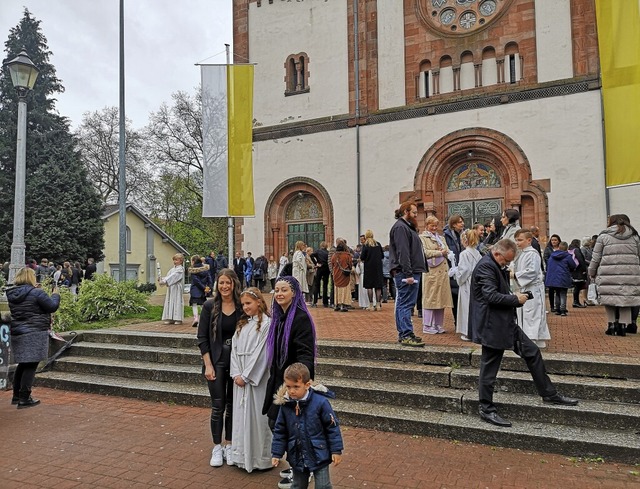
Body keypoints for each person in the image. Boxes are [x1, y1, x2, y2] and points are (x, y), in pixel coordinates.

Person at [470, 239, 578, 428]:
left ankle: (549, 394)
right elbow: (490, 296)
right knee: (489, 368)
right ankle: (486, 409)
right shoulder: (486, 267)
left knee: (532, 351)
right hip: (492, 326)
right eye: (505, 261)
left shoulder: (494, 264)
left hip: (504, 323)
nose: (506, 265)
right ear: (497, 254)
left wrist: (517, 296)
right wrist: (515, 299)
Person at [262, 276, 316, 489]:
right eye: (276, 290)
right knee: (277, 424)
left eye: (284, 290)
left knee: (292, 429)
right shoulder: (278, 317)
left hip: (293, 384)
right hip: (277, 380)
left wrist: (298, 384)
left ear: (294, 292)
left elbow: (306, 354)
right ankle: (298, 465)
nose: (279, 294)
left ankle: (303, 469)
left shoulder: (300, 318)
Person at [197, 268, 243, 467]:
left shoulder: (242, 306)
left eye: (228, 283)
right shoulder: (210, 306)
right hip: (215, 362)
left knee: (232, 407)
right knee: (218, 406)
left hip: (236, 363)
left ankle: (230, 445)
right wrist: (208, 365)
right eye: (221, 283)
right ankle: (217, 446)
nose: (224, 286)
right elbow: (202, 338)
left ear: (234, 284)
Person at [271, 363, 343, 489]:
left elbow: (332, 427)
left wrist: (336, 450)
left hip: (319, 453)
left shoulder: (320, 402)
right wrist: (277, 453)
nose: (291, 391)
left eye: (296, 387)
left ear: (307, 385)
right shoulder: (286, 405)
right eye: (288, 386)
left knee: (323, 486)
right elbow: (280, 431)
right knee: (298, 485)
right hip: (297, 453)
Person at [229, 287, 272, 472]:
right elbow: (234, 351)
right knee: (241, 417)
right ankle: (241, 456)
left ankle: (260, 459)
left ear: (259, 303)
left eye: (248, 303)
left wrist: (246, 376)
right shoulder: (242, 325)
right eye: (243, 304)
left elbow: (262, 353)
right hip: (240, 377)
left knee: (257, 417)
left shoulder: (267, 324)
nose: (245, 307)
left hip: (257, 379)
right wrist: (236, 373)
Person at [6, 267, 61, 409]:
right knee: (31, 364)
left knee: (23, 364)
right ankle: (25, 398)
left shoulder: (12, 293)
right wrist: (55, 294)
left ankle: (16, 395)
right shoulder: (37, 293)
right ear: (31, 278)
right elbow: (52, 306)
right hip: (34, 332)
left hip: (18, 332)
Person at [588, 214, 640, 336]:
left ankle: (611, 324)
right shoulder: (634, 237)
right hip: (630, 273)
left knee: (609, 298)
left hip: (608, 273)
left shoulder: (604, 236)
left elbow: (596, 257)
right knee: (626, 299)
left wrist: (592, 272)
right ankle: (623, 325)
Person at [389, 202, 427, 347]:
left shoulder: (406, 227)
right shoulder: (400, 227)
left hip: (409, 271)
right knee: (405, 304)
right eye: (415, 213)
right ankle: (406, 334)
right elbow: (403, 252)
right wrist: (408, 273)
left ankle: (405, 333)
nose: (416, 215)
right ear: (406, 211)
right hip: (406, 273)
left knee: (403, 303)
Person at [513, 230, 550, 348]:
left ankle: (532, 339)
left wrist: (515, 275)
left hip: (533, 288)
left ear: (529, 240)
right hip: (524, 287)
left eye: (520, 240)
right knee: (526, 313)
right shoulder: (522, 253)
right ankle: (533, 339)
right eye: (516, 240)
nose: (517, 243)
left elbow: (532, 271)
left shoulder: (533, 254)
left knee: (532, 314)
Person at [420, 216, 453, 335]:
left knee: (441, 299)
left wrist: (444, 252)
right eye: (431, 225)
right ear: (426, 225)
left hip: (443, 272)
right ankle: (427, 325)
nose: (434, 228)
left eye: (435, 225)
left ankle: (438, 324)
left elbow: (448, 250)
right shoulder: (422, 238)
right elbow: (424, 252)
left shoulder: (441, 238)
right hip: (432, 272)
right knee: (430, 299)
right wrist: (439, 252)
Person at [455, 229, 482, 341]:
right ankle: (476, 329)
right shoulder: (477, 253)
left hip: (467, 282)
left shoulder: (464, 254)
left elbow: (464, 270)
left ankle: (467, 331)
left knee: (466, 306)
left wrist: (457, 274)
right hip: (476, 281)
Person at [544, 241, 576, 317]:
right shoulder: (568, 256)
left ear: (559, 247)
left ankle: (557, 309)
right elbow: (573, 265)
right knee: (563, 294)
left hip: (553, 278)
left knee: (557, 294)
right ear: (567, 248)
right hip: (563, 277)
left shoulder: (552, 256)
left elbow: (549, 266)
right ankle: (563, 310)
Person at [444, 214, 464, 328]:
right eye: (459, 222)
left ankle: (462, 321)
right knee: (455, 295)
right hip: (453, 269)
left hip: (462, 267)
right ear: (453, 224)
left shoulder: (463, 234)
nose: (462, 224)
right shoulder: (447, 236)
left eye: (462, 221)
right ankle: (457, 321)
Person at [359, 229, 384, 311]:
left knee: (369, 287)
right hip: (378, 268)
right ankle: (378, 304)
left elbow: (362, 257)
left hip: (369, 268)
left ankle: (370, 305)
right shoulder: (378, 244)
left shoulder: (365, 245)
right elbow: (382, 256)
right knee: (378, 287)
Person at [158, 253, 185, 325]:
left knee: (176, 301)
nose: (175, 261)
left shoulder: (180, 269)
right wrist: (161, 279)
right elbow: (168, 276)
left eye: (176, 260)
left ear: (181, 261)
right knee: (169, 301)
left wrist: (164, 281)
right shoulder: (172, 269)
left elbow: (173, 277)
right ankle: (169, 317)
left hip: (176, 287)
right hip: (171, 288)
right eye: (174, 260)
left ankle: (178, 318)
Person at [188, 255, 212, 328]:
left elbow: (196, 281)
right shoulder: (205, 269)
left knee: (194, 304)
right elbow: (209, 278)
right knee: (203, 305)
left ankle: (196, 318)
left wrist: (202, 287)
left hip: (195, 290)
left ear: (193, 261)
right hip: (203, 291)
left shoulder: (193, 270)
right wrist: (208, 287)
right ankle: (204, 319)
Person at [330, 240, 353, 312]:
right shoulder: (347, 255)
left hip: (336, 274)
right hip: (344, 275)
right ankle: (343, 304)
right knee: (345, 290)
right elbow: (350, 265)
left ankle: (337, 304)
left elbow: (332, 264)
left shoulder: (334, 255)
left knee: (337, 289)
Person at [543, 234, 562, 311]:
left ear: (558, 241)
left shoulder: (561, 249)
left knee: (558, 289)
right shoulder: (548, 249)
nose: (553, 241)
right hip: (551, 271)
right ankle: (552, 306)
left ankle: (558, 306)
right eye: (552, 240)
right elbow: (546, 258)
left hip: (559, 271)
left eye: (555, 240)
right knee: (551, 290)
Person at [568, 239, 588, 308]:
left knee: (576, 286)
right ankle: (576, 302)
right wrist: (584, 269)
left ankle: (576, 301)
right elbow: (581, 260)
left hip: (574, 270)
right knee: (578, 287)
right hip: (579, 271)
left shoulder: (570, 250)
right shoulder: (576, 250)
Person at [311, 242, 330, 308]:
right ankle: (325, 303)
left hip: (320, 268)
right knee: (325, 285)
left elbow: (311, 255)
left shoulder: (318, 251)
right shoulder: (328, 252)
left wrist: (316, 263)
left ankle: (315, 302)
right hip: (326, 269)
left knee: (317, 285)